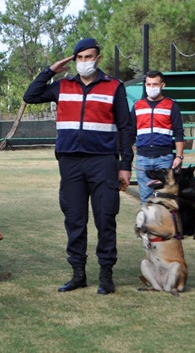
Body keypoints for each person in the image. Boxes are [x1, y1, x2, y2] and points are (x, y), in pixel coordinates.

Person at [23, 38, 134, 295]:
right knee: (74, 220)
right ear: (74, 60)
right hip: (70, 162)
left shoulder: (113, 87)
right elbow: (30, 96)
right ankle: (78, 274)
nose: (85, 62)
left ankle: (106, 275)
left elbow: (126, 127)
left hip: (103, 161)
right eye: (80, 57)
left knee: (105, 218)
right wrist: (50, 70)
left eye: (89, 56)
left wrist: (125, 165)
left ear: (98, 58)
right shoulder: (62, 86)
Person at [132, 70, 185, 203]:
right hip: (143, 158)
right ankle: (148, 224)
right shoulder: (137, 106)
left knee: (165, 198)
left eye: (155, 84)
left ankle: (166, 224)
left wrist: (179, 156)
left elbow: (179, 132)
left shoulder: (172, 106)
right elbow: (130, 132)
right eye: (148, 84)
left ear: (162, 85)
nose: (151, 87)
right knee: (145, 199)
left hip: (164, 159)